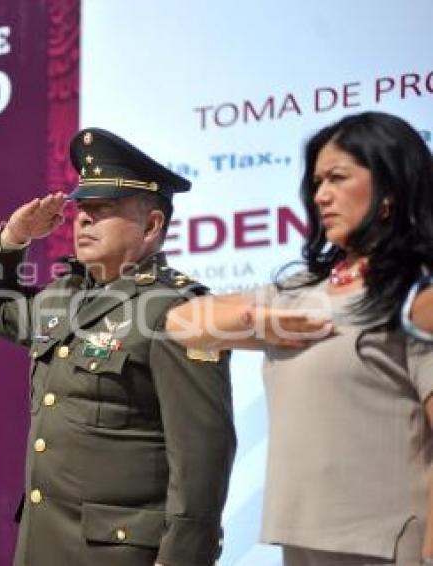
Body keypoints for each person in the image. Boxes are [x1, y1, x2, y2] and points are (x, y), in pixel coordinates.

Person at [166, 111, 433, 565]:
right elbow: (179, 322)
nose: (321, 196)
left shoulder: (416, 294)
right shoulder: (300, 291)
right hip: (303, 536)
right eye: (316, 182)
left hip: (386, 541)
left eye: (337, 178)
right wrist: (257, 322)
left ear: (390, 188)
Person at [0, 128, 237, 565]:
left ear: (152, 226)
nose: (84, 220)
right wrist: (12, 240)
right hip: (41, 547)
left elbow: (202, 459)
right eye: (82, 209)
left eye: (103, 209)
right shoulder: (63, 295)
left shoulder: (176, 310)